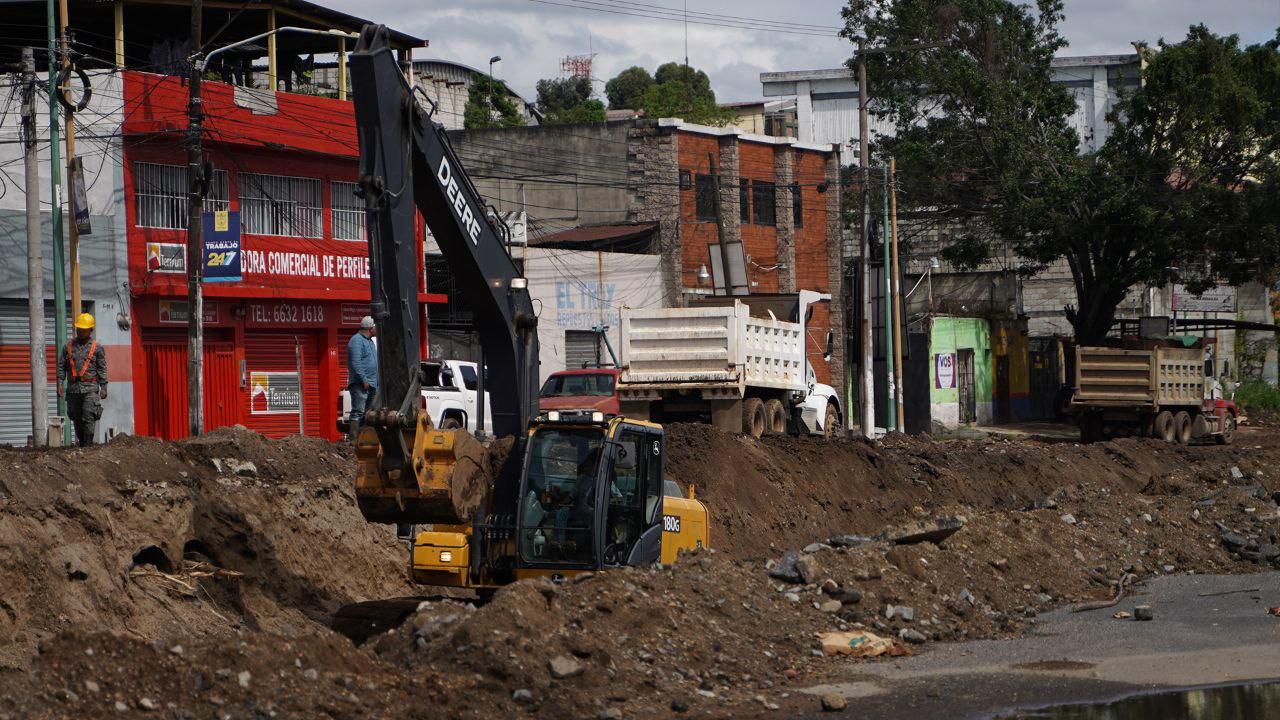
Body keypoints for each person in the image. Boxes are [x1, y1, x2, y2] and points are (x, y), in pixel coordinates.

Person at [57, 313, 107, 447]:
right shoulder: (67, 347)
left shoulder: (97, 348)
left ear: (90, 330)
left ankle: (88, 446)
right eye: (79, 329)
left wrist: (104, 387)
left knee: (89, 416)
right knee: (76, 418)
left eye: (84, 329)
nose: (80, 332)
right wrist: (60, 383)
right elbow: (61, 366)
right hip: (73, 389)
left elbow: (102, 368)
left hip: (90, 389)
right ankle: (82, 444)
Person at [346, 315, 378, 436]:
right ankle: (353, 440)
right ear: (370, 328)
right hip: (361, 384)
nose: (377, 330)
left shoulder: (370, 342)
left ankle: (364, 440)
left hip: (372, 384)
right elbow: (356, 363)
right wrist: (364, 380)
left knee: (368, 414)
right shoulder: (356, 340)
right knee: (358, 412)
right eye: (375, 327)